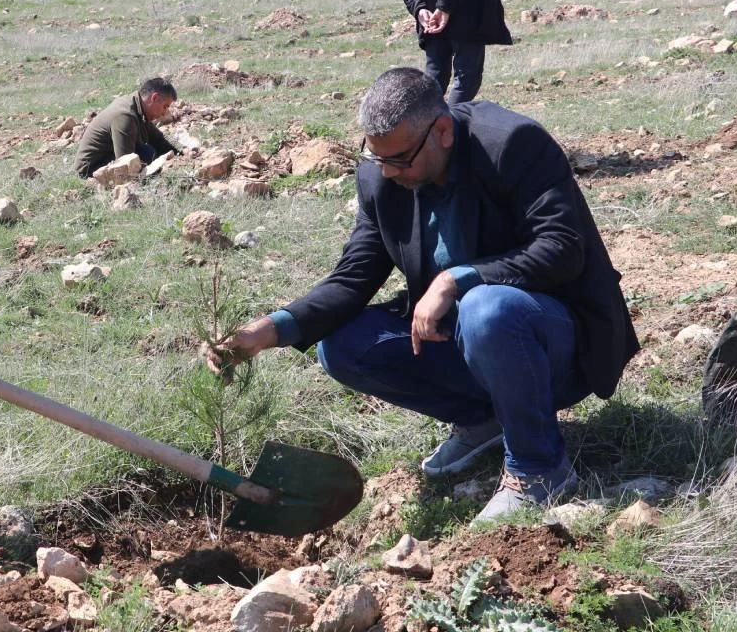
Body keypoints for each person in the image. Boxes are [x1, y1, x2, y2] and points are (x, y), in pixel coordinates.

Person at [205, 68, 639, 524]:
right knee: (343, 346)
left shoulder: (511, 145)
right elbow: (354, 277)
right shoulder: (382, 178)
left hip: (556, 341)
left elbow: (561, 250)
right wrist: (266, 330)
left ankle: (539, 467)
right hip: (476, 341)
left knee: (485, 307)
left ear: (444, 131)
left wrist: (457, 279)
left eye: (401, 159)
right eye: (378, 159)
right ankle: (488, 420)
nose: (390, 172)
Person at [74, 77, 179, 178]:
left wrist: (181, 153)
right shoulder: (125, 116)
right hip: (90, 170)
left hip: (107, 156)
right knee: (147, 154)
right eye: (165, 106)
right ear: (155, 98)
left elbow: (158, 139)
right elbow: (126, 162)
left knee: (151, 150)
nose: (164, 113)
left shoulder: (138, 107)